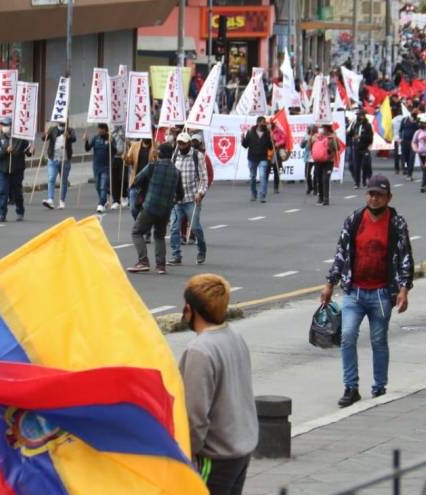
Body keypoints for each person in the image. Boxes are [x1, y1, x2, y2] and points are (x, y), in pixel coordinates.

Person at [322, 175, 414, 407]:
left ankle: (379, 387)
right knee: (347, 336)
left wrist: (404, 289)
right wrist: (330, 283)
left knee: (378, 340)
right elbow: (341, 253)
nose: (374, 198)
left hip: (382, 294)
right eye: (371, 194)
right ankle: (351, 387)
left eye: (379, 195)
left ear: (388, 197)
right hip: (355, 291)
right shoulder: (354, 220)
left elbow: (405, 258)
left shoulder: (396, 223)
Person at [178, 274, 258, 495]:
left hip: (214, 458)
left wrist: (186, 455)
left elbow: (195, 417)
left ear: (191, 309)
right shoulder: (234, 336)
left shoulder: (199, 350)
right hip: (240, 450)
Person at [127, 144, 184, 274]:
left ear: (160, 153)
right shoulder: (176, 172)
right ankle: (161, 266)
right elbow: (180, 194)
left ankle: (143, 261)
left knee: (136, 232)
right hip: (165, 210)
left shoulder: (153, 166)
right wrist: (172, 201)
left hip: (150, 206)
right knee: (159, 236)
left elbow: (136, 180)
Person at [168, 132, 209, 266]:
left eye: (183, 143)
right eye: (179, 143)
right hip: (177, 200)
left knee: (195, 227)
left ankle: (201, 250)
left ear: (189, 143)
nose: (181, 146)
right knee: (174, 228)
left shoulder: (197, 156)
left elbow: (204, 178)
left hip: (192, 199)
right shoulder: (175, 156)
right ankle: (176, 255)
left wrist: (200, 193)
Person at [0, 117, 30, 222]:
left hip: (17, 170)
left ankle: (20, 211)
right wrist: (5, 151)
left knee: (17, 192)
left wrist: (31, 151)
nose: (5, 127)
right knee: (3, 192)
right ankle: (1, 214)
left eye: (7, 125)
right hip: (4, 171)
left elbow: (28, 152)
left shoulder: (21, 139)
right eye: (3, 125)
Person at [42, 121, 77, 210]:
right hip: (53, 158)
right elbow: (44, 138)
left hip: (65, 159)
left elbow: (74, 138)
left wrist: (68, 136)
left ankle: (62, 201)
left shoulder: (70, 130)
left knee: (64, 180)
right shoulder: (52, 129)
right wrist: (45, 134)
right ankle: (50, 199)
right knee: (51, 178)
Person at [84, 123, 116, 213]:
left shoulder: (110, 138)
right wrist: (86, 141)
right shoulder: (95, 138)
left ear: (105, 130)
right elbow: (88, 148)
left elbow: (114, 151)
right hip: (96, 166)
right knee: (97, 186)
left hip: (106, 166)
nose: (99, 130)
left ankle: (101, 204)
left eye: (101, 129)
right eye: (99, 129)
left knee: (103, 186)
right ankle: (104, 199)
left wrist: (111, 144)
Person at [240, 116, 273, 203]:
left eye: (265, 122)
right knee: (253, 177)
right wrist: (242, 140)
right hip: (252, 157)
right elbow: (245, 145)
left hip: (263, 157)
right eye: (262, 122)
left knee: (262, 176)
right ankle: (253, 194)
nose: (264, 124)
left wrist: (271, 138)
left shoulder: (267, 133)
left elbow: (270, 147)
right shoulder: (250, 132)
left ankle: (262, 195)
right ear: (258, 123)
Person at [125, 138, 158, 221]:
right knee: (133, 208)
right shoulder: (135, 145)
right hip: (136, 182)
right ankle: (140, 224)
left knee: (147, 209)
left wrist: (156, 156)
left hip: (149, 184)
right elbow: (129, 161)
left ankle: (143, 227)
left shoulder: (156, 146)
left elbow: (159, 163)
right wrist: (125, 158)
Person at [310, 124, 339, 206]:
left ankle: (326, 199)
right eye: (321, 128)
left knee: (325, 179)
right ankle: (320, 197)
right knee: (319, 179)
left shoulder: (332, 138)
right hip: (318, 161)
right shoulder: (315, 137)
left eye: (324, 128)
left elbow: (338, 148)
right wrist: (311, 138)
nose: (322, 130)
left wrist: (334, 141)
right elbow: (310, 147)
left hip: (328, 161)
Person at [348, 109, 374, 188]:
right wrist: (350, 133)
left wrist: (361, 137)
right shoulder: (355, 124)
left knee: (366, 164)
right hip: (356, 147)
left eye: (360, 115)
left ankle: (366, 180)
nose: (358, 117)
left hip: (365, 147)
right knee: (356, 166)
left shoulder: (367, 125)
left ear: (363, 116)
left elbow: (370, 137)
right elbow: (350, 134)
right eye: (358, 115)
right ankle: (357, 182)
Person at [399, 108, 420, 182]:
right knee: (406, 157)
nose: (415, 113)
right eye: (414, 111)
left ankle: (409, 174)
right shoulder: (404, 120)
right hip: (404, 142)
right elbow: (401, 130)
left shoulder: (418, 120)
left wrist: (416, 122)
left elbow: (419, 130)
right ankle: (407, 170)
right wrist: (400, 138)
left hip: (413, 142)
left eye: (416, 112)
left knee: (412, 158)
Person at [110, 125, 128, 208]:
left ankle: (124, 196)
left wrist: (123, 136)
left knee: (123, 178)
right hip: (114, 157)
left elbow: (130, 141)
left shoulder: (126, 126)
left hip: (124, 156)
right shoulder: (111, 127)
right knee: (114, 179)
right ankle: (116, 200)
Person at [270, 118, 288, 194]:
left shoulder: (279, 130)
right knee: (266, 169)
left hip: (276, 152)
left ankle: (276, 187)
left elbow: (284, 139)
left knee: (276, 169)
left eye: (271, 124)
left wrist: (278, 143)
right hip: (268, 152)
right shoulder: (268, 131)